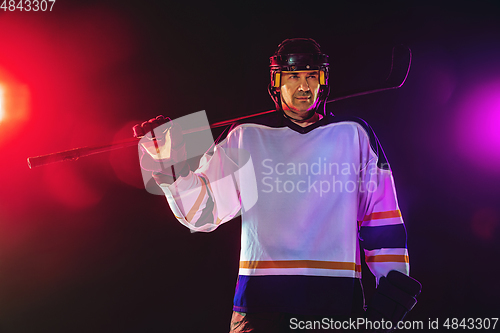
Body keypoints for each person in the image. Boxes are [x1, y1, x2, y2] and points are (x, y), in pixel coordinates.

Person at [138, 38, 419, 332]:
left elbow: (382, 223)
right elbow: (201, 214)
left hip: (336, 308)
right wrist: (171, 163)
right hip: (259, 312)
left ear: (323, 81)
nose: (303, 87)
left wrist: (392, 296)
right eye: (293, 76)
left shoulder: (354, 134)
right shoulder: (245, 136)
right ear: (276, 82)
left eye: (312, 76)